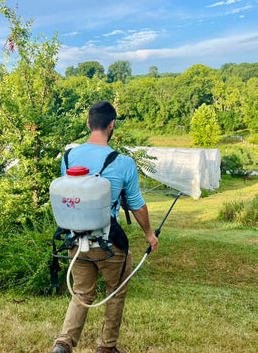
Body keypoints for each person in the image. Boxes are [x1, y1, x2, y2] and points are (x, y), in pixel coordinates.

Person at [52, 100, 159, 353]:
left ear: (89, 123)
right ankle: (106, 347)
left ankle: (63, 343)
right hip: (109, 244)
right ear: (111, 125)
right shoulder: (123, 163)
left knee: (81, 293)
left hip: (75, 240)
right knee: (116, 291)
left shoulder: (68, 157)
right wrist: (149, 235)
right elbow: (136, 205)